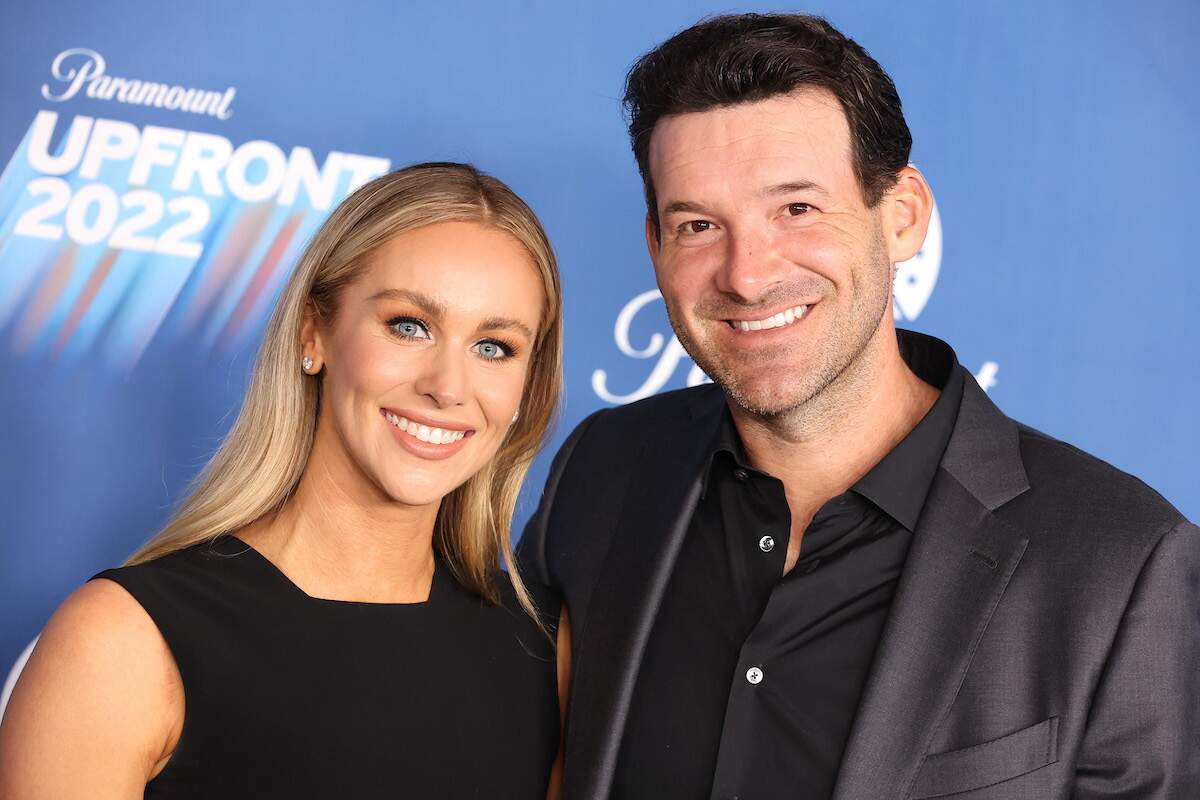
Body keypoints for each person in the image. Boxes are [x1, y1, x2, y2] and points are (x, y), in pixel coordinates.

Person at [519, 13, 1199, 800]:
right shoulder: (602, 469)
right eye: (699, 225)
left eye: (797, 209)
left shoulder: (1121, 564)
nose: (746, 274)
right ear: (656, 247)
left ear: (902, 215)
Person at [0, 162, 568, 799]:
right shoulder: (122, 641)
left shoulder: (543, 647)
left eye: (494, 347)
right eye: (409, 326)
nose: (447, 387)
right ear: (313, 332)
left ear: (528, 385)